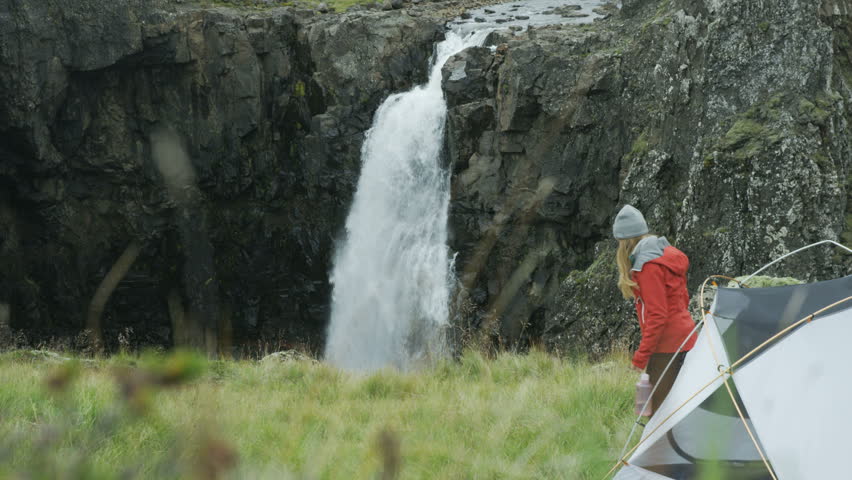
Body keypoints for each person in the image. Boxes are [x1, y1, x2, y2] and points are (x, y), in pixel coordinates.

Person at [613, 205, 697, 412]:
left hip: (667, 346)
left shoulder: (648, 266)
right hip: (687, 338)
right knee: (681, 405)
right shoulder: (665, 254)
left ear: (624, 242)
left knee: (658, 411)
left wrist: (641, 357)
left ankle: (658, 436)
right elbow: (683, 298)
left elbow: (657, 315)